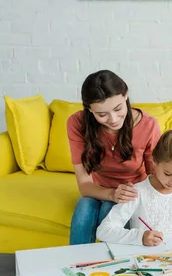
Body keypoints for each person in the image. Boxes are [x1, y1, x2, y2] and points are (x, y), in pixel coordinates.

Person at [68, 70, 161, 245]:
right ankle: (78, 268)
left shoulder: (149, 125)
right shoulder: (76, 123)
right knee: (83, 212)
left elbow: (155, 176)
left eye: (118, 109)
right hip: (97, 189)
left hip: (130, 192)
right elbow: (85, 185)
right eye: (102, 115)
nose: (113, 119)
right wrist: (111, 193)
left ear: (125, 95)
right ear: (89, 109)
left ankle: (112, 268)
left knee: (108, 213)